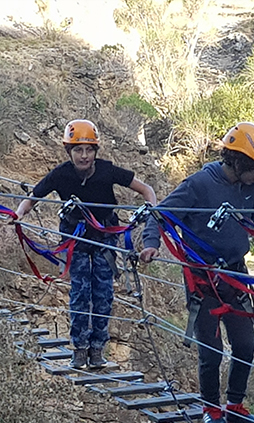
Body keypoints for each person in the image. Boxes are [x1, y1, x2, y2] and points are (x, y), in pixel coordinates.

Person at [139, 122, 254, 423]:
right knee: (211, 351)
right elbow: (161, 214)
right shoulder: (198, 184)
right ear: (237, 161)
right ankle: (211, 407)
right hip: (203, 279)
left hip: (236, 274)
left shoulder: (250, 188)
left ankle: (234, 406)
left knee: (245, 344)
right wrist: (151, 243)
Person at [13, 119, 157, 370]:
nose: (84, 155)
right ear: (69, 152)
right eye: (78, 150)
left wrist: (151, 210)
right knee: (80, 293)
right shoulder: (61, 174)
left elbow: (146, 190)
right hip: (75, 236)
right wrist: (18, 215)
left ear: (95, 151)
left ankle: (97, 350)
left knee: (103, 294)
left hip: (104, 234)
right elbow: (32, 198)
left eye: (89, 149)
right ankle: (79, 349)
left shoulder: (107, 170)